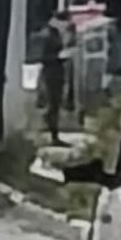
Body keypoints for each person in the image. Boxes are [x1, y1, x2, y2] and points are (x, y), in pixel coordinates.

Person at [40, 11, 71, 147]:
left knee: (56, 105)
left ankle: (54, 134)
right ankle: (52, 135)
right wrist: (60, 58)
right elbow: (44, 57)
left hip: (56, 72)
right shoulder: (49, 34)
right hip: (52, 73)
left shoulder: (55, 33)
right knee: (53, 105)